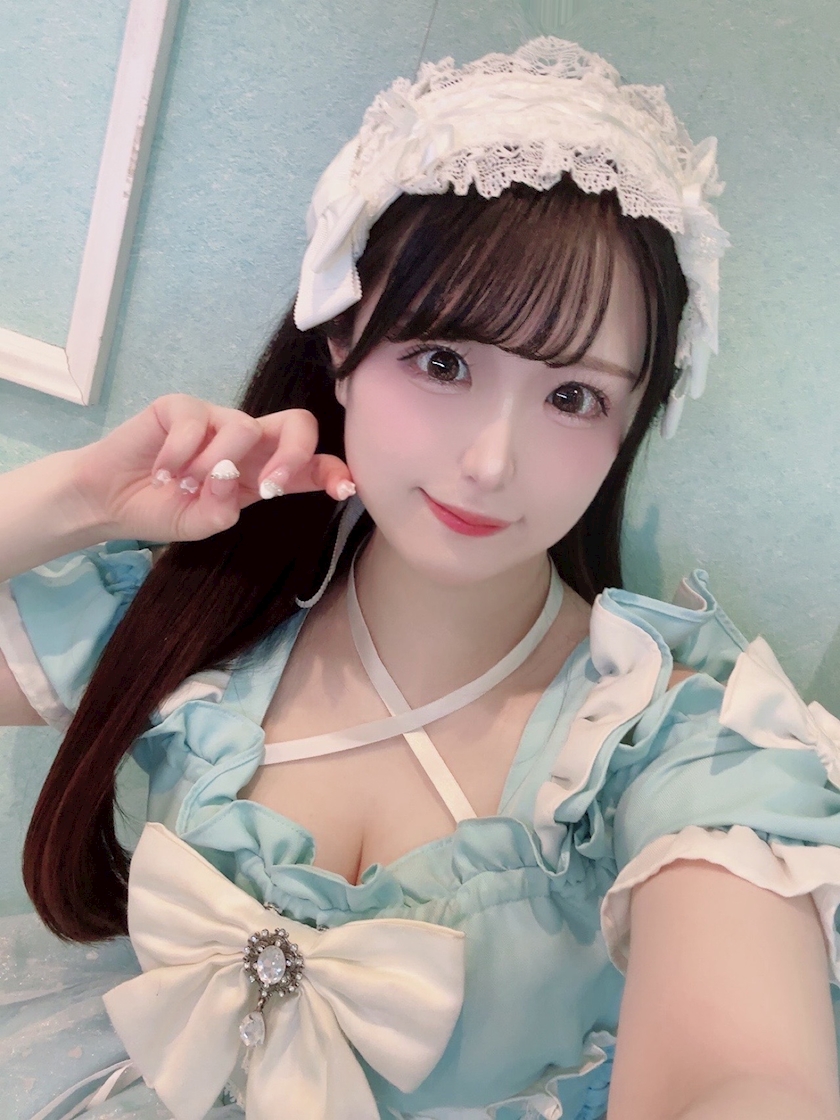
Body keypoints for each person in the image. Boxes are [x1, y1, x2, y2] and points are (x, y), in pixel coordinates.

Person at [1, 35, 840, 1120]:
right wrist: (76, 497)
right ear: (341, 342)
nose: (490, 461)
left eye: (573, 396)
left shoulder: (665, 747)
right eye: (443, 362)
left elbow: (743, 1071)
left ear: (634, 420)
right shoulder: (194, 621)